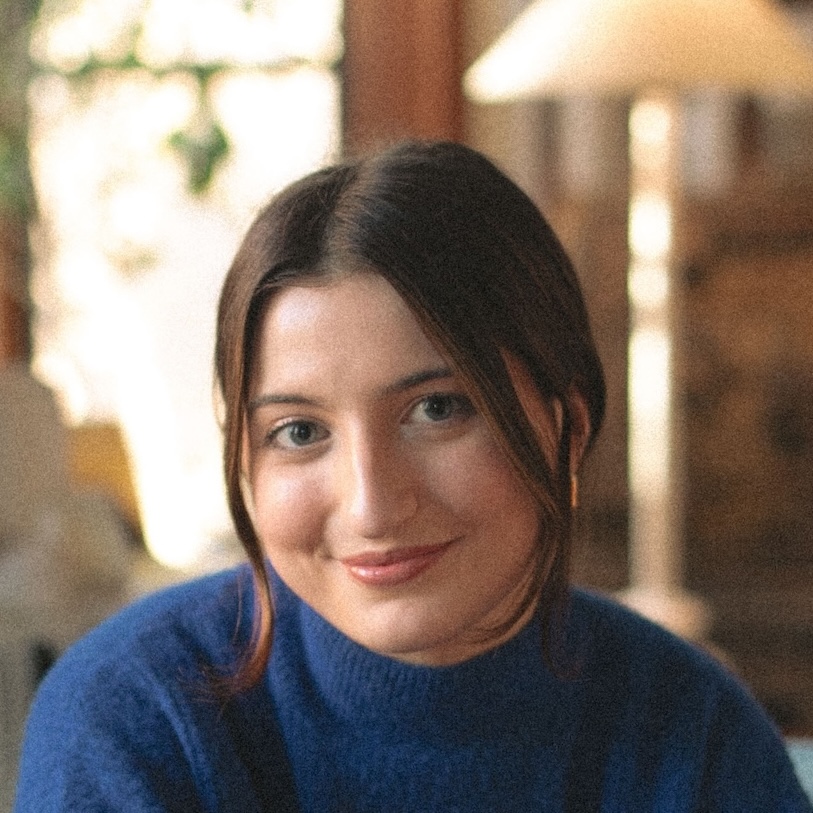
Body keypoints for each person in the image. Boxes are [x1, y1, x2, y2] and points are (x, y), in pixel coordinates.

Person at [14, 141, 811, 812]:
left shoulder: (693, 734)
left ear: (566, 428)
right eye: (299, 431)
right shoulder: (133, 717)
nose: (370, 504)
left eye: (436, 409)